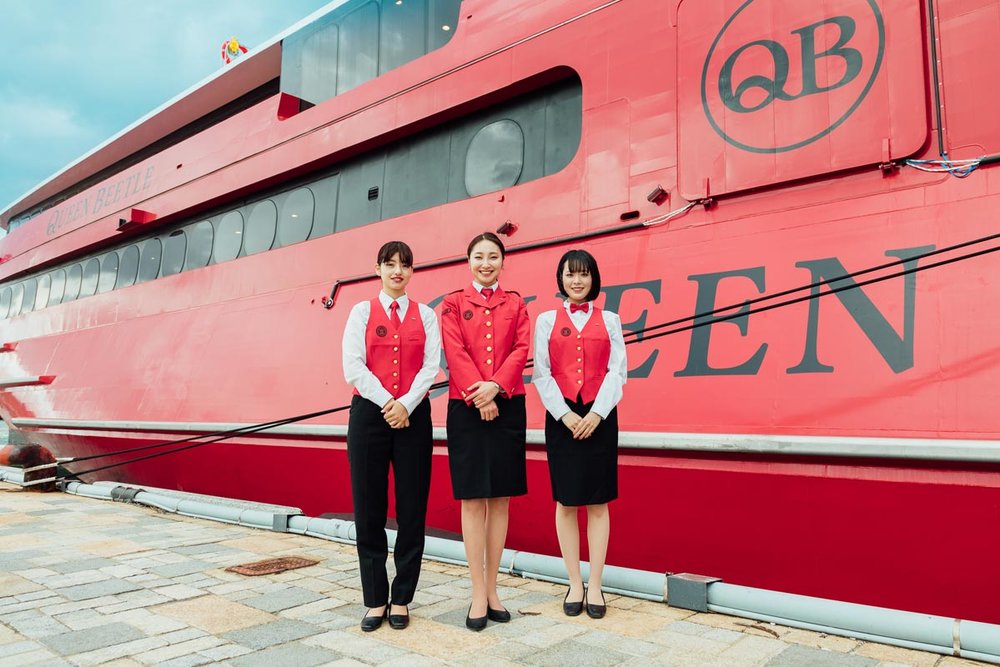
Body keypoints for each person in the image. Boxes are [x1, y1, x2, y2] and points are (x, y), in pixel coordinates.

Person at [341, 241, 441, 632]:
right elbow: (353, 366)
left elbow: (431, 366)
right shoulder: (361, 312)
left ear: (412, 271)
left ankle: (402, 598)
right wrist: (389, 403)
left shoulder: (427, 315)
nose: (397, 271)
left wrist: (406, 405)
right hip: (369, 414)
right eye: (390, 264)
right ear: (378, 268)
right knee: (369, 507)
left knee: (412, 507)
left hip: (414, 416)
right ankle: (375, 599)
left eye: (404, 265)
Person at [440, 232, 530, 631]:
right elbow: (454, 350)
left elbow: (522, 348)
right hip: (466, 405)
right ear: (469, 261)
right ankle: (477, 591)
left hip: (508, 403)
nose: (486, 263)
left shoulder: (516, 303)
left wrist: (497, 386)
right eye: (479, 256)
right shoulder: (453, 303)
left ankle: (494, 588)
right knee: (473, 499)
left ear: (503, 261)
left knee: (501, 499)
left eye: (493, 256)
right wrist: (482, 392)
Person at [531, 249, 627, 619]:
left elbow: (618, 372)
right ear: (561, 279)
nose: (576, 281)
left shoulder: (612, 320)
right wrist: (567, 416)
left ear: (593, 278)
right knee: (567, 501)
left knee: (599, 501)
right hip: (562, 418)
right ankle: (574, 581)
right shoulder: (544, 321)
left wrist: (598, 413)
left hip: (601, 417)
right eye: (570, 274)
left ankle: (597, 585)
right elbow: (542, 373)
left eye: (584, 274)